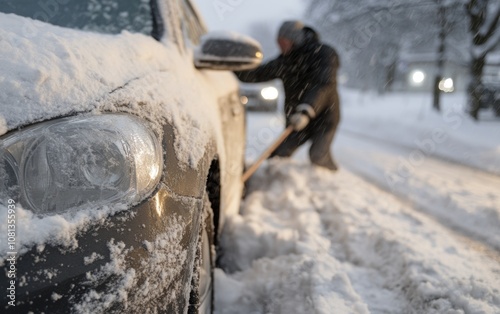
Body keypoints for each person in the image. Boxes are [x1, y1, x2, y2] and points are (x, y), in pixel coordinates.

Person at [236, 20, 341, 171]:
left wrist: (306, 109)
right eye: (278, 42)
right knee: (278, 155)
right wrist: (230, 68)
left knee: (318, 155)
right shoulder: (285, 62)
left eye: (282, 41)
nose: (280, 46)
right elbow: (257, 74)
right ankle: (270, 182)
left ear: (293, 38)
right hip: (296, 120)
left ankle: (331, 181)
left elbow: (322, 84)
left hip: (323, 117)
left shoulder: (323, 54)